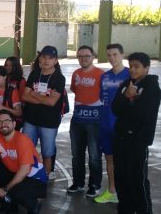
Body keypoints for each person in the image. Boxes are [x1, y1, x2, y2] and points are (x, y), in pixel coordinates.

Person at [111, 52, 160, 213]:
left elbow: (143, 113)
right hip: (121, 139)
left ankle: (143, 210)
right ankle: (125, 209)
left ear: (146, 68)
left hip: (138, 141)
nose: (132, 70)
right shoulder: (126, 84)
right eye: (131, 66)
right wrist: (126, 96)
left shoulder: (152, 87)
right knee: (121, 177)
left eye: (137, 67)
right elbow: (116, 109)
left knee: (137, 179)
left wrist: (131, 99)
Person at [0, 111, 47, 213]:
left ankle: (34, 206)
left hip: (35, 179)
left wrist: (5, 189)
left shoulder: (22, 139)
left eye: (6, 121)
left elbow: (25, 170)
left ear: (14, 124)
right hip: (15, 173)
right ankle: (10, 208)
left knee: (15, 192)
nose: (3, 124)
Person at [66, 46, 104, 197]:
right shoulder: (76, 74)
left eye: (86, 56)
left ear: (93, 56)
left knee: (94, 155)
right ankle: (78, 183)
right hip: (77, 121)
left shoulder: (101, 75)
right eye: (80, 56)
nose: (83, 59)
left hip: (95, 122)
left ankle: (95, 185)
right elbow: (76, 90)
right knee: (77, 155)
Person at [21, 46, 65, 174]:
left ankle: (45, 177)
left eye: (50, 58)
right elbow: (24, 96)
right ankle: (28, 174)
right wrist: (43, 98)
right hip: (31, 120)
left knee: (47, 153)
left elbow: (52, 102)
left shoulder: (59, 78)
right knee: (27, 149)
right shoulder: (35, 74)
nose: (46, 61)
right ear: (40, 58)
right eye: (44, 57)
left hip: (49, 122)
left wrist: (34, 94)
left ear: (55, 61)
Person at [94, 43, 128, 204]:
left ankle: (127, 194)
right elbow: (102, 98)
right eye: (109, 55)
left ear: (122, 55)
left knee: (125, 160)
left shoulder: (130, 75)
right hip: (106, 125)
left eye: (115, 54)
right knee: (109, 159)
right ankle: (112, 191)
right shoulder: (104, 76)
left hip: (123, 126)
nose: (112, 58)